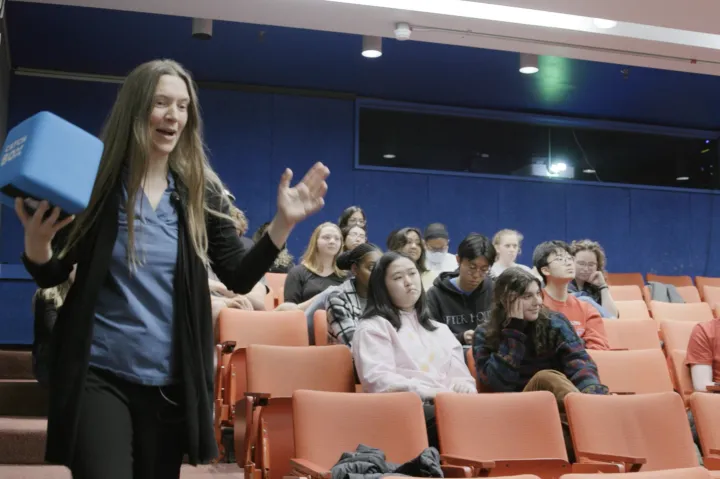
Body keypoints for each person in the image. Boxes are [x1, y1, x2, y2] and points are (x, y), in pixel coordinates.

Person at [15, 59, 329, 479]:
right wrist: (37, 245)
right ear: (136, 108)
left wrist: (281, 225)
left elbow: (236, 274)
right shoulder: (99, 182)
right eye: (161, 103)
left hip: (168, 384)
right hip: (99, 371)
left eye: (182, 106)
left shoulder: (199, 189)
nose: (173, 116)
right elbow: (53, 274)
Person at [473, 267, 608, 461]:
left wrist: (593, 391)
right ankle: (595, 416)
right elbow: (497, 382)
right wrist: (514, 331)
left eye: (538, 293)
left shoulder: (554, 322)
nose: (537, 301)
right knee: (545, 378)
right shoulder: (485, 334)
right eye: (527, 296)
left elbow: (580, 363)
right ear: (506, 300)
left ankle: (593, 415)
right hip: (513, 412)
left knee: (570, 427)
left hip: (556, 412)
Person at [352, 251, 476, 448]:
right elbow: (378, 380)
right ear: (382, 287)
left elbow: (461, 376)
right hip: (403, 411)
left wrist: (464, 386)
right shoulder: (373, 327)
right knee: (457, 421)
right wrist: (427, 392)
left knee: (487, 415)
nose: (408, 282)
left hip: (448, 406)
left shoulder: (440, 329)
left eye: (412, 273)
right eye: (398, 277)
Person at [532, 241, 610, 351]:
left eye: (570, 259)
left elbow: (599, 349)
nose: (568, 263)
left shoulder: (587, 308)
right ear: (545, 270)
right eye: (560, 259)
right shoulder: (533, 304)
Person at [426, 233, 495, 346]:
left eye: (484, 269)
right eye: (472, 267)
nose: (477, 275)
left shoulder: (495, 290)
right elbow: (429, 335)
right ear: (458, 260)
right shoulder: (435, 295)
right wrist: (460, 337)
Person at [326, 243, 381, 345]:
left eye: (381, 269)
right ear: (355, 269)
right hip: (349, 358)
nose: (378, 274)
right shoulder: (337, 298)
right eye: (372, 268)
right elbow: (354, 343)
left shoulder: (386, 296)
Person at [31, 265, 76, 388]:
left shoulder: (75, 295)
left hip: (67, 361)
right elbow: (55, 331)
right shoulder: (48, 296)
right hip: (49, 362)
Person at [283, 222, 345, 304]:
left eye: (337, 238)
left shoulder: (347, 275)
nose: (332, 241)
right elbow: (290, 311)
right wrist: (321, 297)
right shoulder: (297, 273)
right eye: (326, 237)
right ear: (315, 242)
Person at [569, 240, 619, 318]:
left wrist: (603, 286)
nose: (586, 269)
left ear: (597, 266)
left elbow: (612, 317)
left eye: (591, 265)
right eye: (581, 264)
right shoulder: (561, 284)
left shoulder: (595, 288)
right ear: (571, 262)